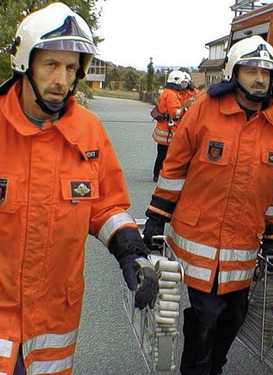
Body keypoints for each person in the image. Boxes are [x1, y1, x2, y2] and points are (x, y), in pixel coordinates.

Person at [0, 3, 159, 374]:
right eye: (51, 65)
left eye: (71, 68)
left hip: (55, 318)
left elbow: (106, 207)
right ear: (25, 63)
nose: (61, 79)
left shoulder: (89, 131)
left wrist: (131, 253)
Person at [142, 35, 273, 375]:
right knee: (205, 316)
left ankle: (215, 366)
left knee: (233, 317)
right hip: (200, 239)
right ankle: (196, 370)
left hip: (242, 245)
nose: (259, 78)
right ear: (233, 72)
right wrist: (155, 218)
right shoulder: (205, 110)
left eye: (266, 73)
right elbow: (175, 168)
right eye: (251, 70)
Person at [151, 70, 188, 182]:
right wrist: (186, 110)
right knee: (165, 155)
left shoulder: (167, 92)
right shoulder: (171, 95)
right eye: (182, 83)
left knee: (161, 154)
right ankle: (159, 175)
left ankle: (157, 174)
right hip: (167, 130)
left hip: (163, 128)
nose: (183, 86)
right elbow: (175, 113)